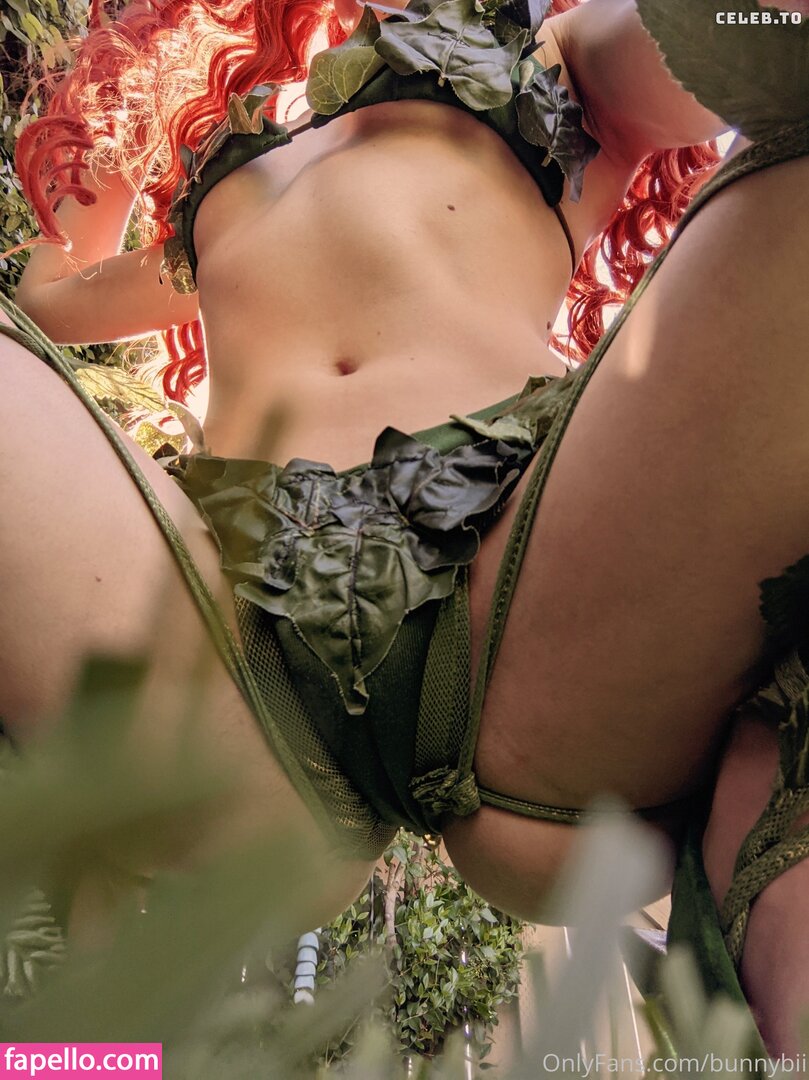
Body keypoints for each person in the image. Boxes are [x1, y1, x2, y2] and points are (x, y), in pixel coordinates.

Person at [1, 0, 808, 1054]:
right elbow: (50, 303)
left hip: (524, 585)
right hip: (230, 643)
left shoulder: (554, 53)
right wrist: (96, 153)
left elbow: (730, 39)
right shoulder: (234, 142)